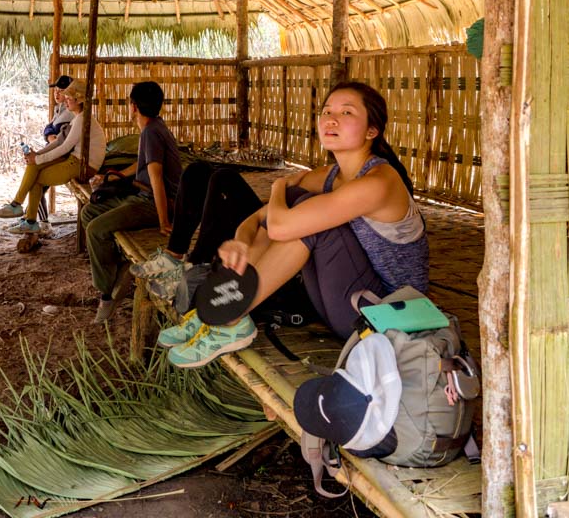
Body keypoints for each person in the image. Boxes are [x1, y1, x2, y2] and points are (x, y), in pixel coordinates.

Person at [160, 81, 428, 368]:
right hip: (340, 303)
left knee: (312, 221)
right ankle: (215, 312)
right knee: (298, 200)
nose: (331, 119)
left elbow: (278, 225)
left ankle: (230, 318)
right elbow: (258, 218)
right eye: (326, 111)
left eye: (347, 113)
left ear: (372, 131)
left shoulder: (379, 182)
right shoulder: (331, 175)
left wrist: (278, 186)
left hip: (384, 318)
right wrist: (241, 240)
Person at [82, 81, 182, 324]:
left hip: (152, 202)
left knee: (95, 230)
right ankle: (115, 266)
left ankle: (107, 293)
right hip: (142, 194)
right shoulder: (154, 126)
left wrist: (164, 221)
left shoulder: (150, 132)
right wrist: (115, 174)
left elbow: (156, 178)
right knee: (89, 212)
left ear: (134, 106)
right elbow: (144, 166)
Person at [0, 79, 106, 233]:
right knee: (34, 167)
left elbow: (64, 147)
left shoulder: (82, 120)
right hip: (75, 160)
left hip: (82, 165)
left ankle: (24, 215)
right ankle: (22, 212)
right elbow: (59, 141)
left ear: (79, 100)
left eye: (68, 98)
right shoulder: (79, 118)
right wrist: (37, 154)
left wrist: (38, 158)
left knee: (36, 178)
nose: (65, 101)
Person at [37, 75, 75, 227]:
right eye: (56, 90)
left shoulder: (70, 112)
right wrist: (48, 134)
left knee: (37, 183)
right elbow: (49, 129)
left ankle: (41, 223)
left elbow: (59, 139)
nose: (57, 94)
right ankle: (32, 218)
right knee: (36, 182)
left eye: (61, 91)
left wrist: (50, 133)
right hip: (56, 151)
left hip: (63, 156)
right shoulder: (59, 109)